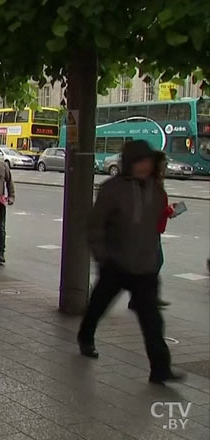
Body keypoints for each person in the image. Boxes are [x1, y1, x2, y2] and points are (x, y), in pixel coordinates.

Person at [78, 140, 183, 385]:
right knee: (98, 305)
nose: (144, 167)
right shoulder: (112, 189)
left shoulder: (156, 190)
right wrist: (102, 255)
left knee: (152, 320)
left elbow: (153, 226)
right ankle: (85, 337)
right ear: (129, 163)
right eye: (139, 162)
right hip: (115, 263)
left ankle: (160, 369)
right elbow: (95, 225)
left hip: (144, 268)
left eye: (147, 161)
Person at [129, 151, 173, 310]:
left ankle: (142, 297)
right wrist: (168, 211)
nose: (166, 165)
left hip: (153, 230)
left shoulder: (155, 181)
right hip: (148, 231)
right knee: (154, 262)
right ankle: (144, 298)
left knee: (154, 262)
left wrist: (168, 210)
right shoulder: (151, 182)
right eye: (164, 162)